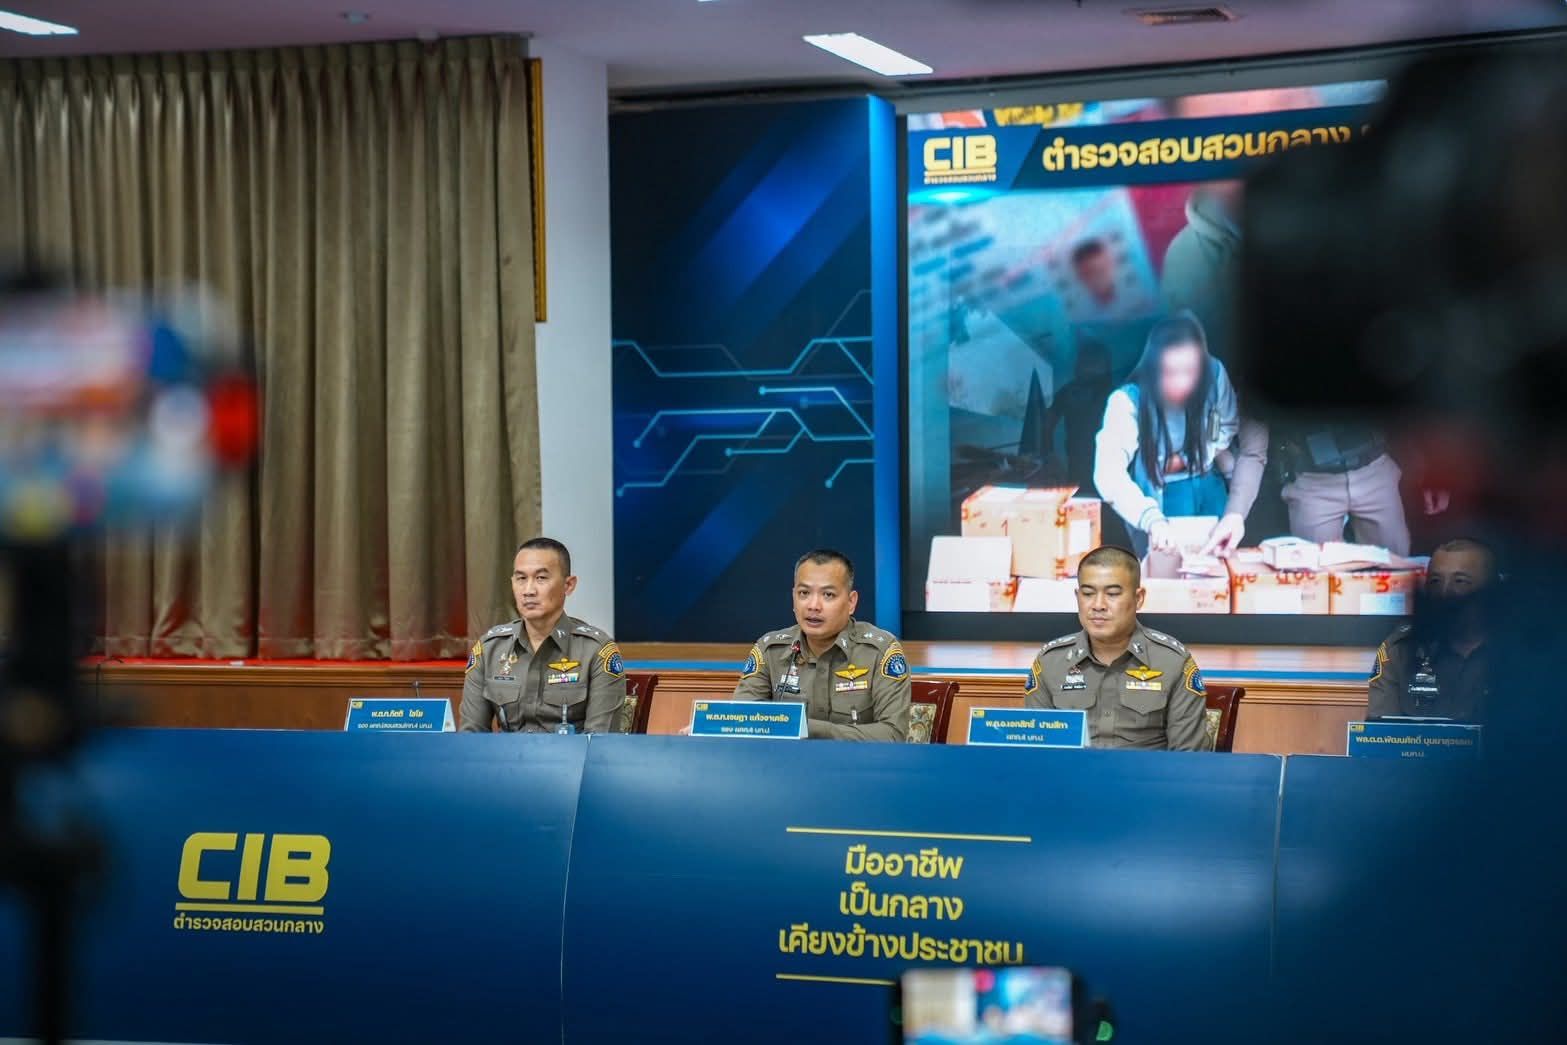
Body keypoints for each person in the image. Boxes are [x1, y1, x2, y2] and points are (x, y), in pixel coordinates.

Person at [1025, 545, 1209, 750]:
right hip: (1071, 771)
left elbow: (1189, 757)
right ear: (1077, 597)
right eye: (1088, 593)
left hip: (1146, 772)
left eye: (1112, 594)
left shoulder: (1172, 662)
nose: (1098, 605)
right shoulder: (1050, 663)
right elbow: (1037, 752)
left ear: (1138, 598)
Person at [1093, 311, 1239, 557]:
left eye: (1190, 371)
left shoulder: (1214, 373)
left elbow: (1227, 424)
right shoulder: (1127, 401)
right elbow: (1108, 473)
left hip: (1209, 486)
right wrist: (1151, 519)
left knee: (1220, 566)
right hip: (1162, 497)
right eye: (1170, 372)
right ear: (1152, 368)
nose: (1182, 383)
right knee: (1170, 570)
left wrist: (1191, 458)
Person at [731, 549, 910, 741]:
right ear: (793, 597)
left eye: (828, 595)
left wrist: (803, 728)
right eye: (804, 593)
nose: (813, 605)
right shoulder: (770, 651)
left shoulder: (880, 652)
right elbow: (742, 720)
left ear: (851, 602)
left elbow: (893, 735)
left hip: (857, 761)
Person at [459, 537, 626, 733]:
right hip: (506, 754)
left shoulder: (596, 651)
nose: (528, 590)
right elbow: (470, 736)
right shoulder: (490, 649)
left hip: (570, 754)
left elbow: (600, 741)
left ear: (568, 585)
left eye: (541, 578)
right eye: (521, 579)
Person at [1367, 538, 1496, 722]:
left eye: (1460, 581)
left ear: (1491, 590)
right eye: (1436, 581)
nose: (1445, 592)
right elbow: (1380, 733)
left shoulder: (1522, 651)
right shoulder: (1400, 650)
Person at [1040, 338, 1115, 492]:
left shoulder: (1117, 395)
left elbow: (1047, 424)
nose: (1091, 367)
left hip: (1111, 467)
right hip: (1078, 467)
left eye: (1096, 362)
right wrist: (1049, 457)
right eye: (1087, 361)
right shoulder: (1069, 392)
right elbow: (1047, 424)